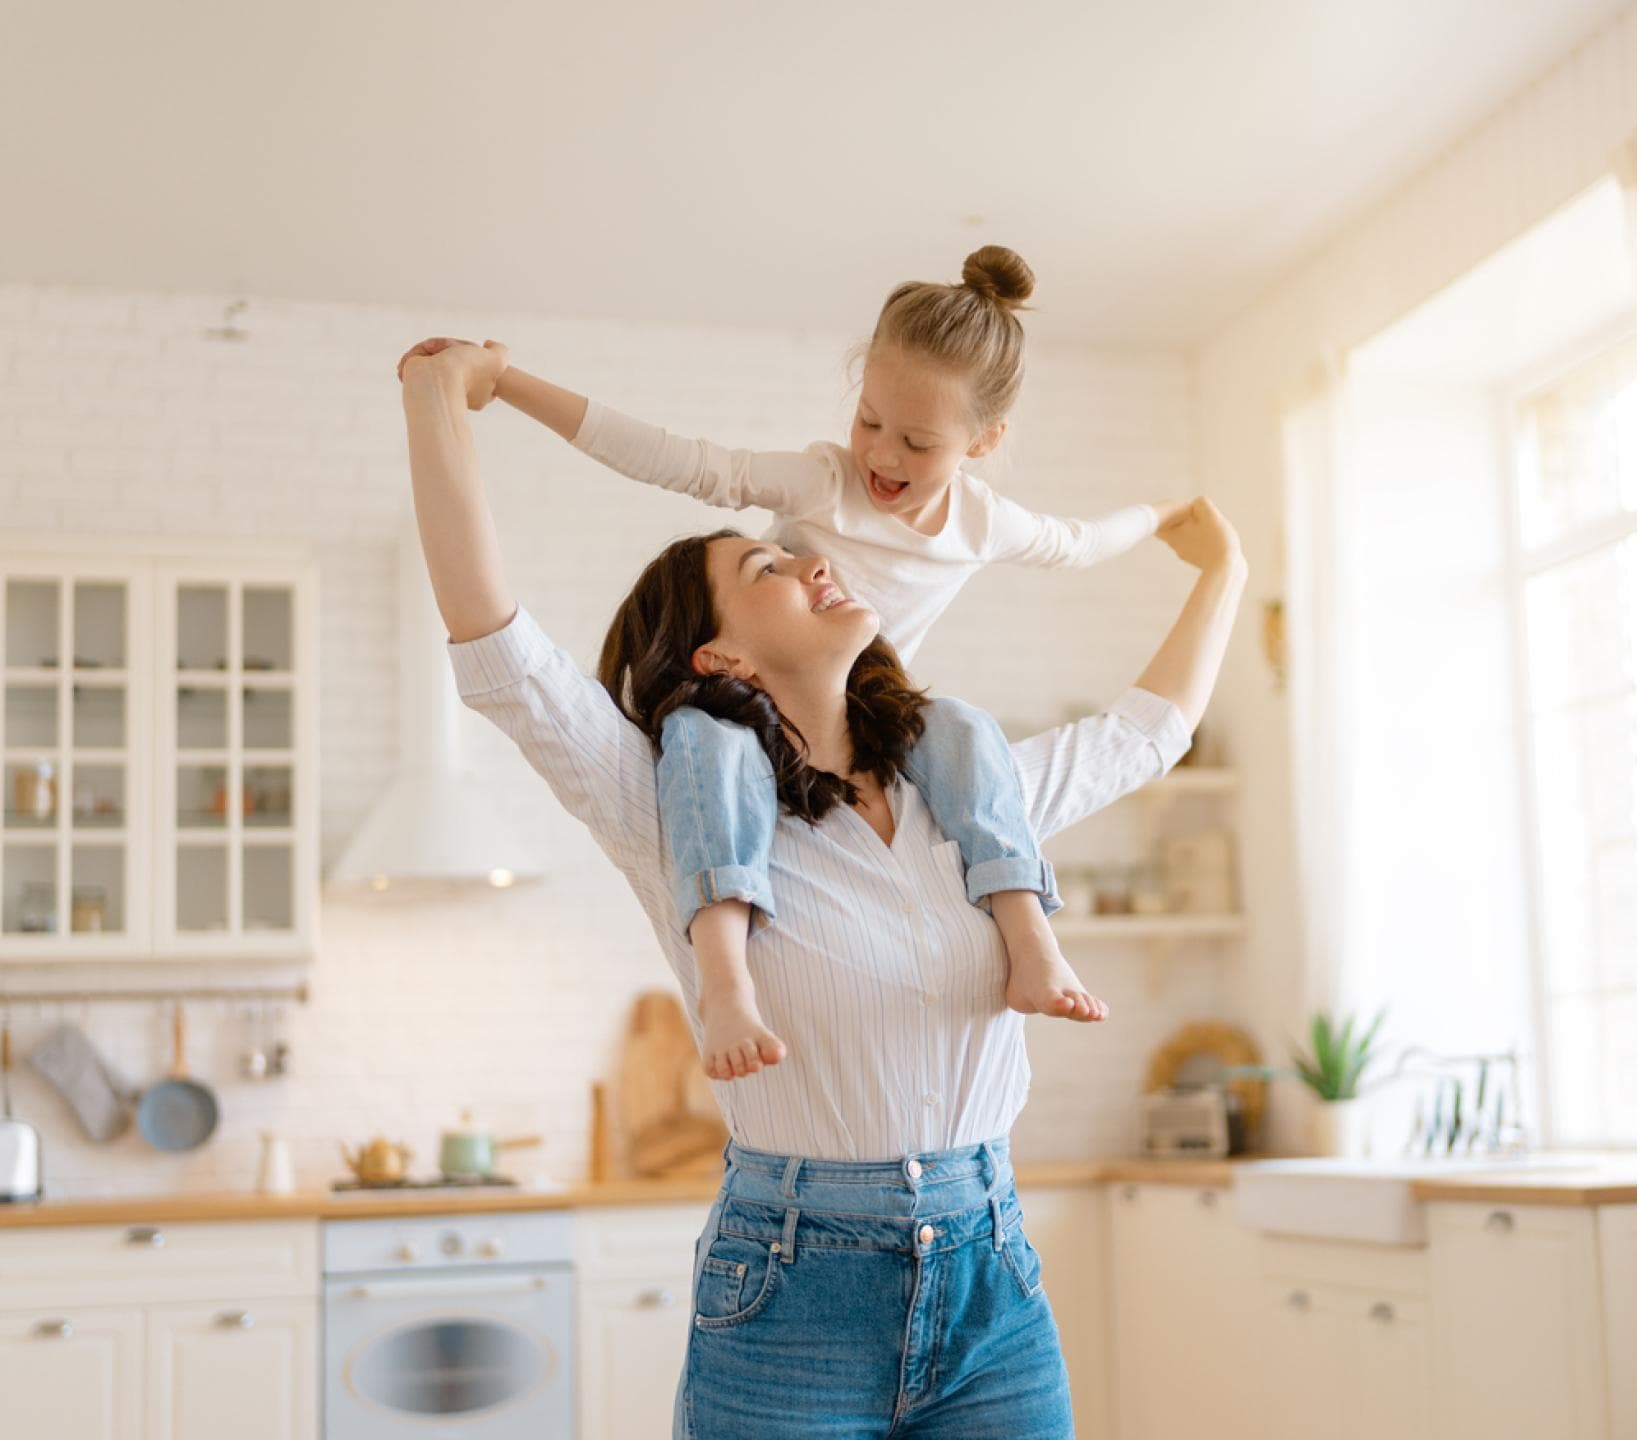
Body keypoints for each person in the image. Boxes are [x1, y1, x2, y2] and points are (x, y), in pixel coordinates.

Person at [399, 333, 1244, 1438]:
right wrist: (439, 398)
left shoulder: (967, 792)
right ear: (722, 661)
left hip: (991, 1278)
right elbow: (500, 653)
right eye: (767, 571)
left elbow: (1144, 737)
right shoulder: (672, 809)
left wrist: (1223, 570)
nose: (814, 559)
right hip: (792, 1291)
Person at [395, 245, 1189, 1084]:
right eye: (869, 421)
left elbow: (1083, 551)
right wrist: (503, 384)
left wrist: (1170, 519)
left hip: (873, 712)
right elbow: (674, 457)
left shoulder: (983, 529)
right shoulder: (823, 485)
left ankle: (1031, 940)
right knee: (709, 744)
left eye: (916, 442)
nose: (881, 455)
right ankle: (725, 981)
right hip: (760, 718)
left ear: (984, 442)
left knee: (962, 726)